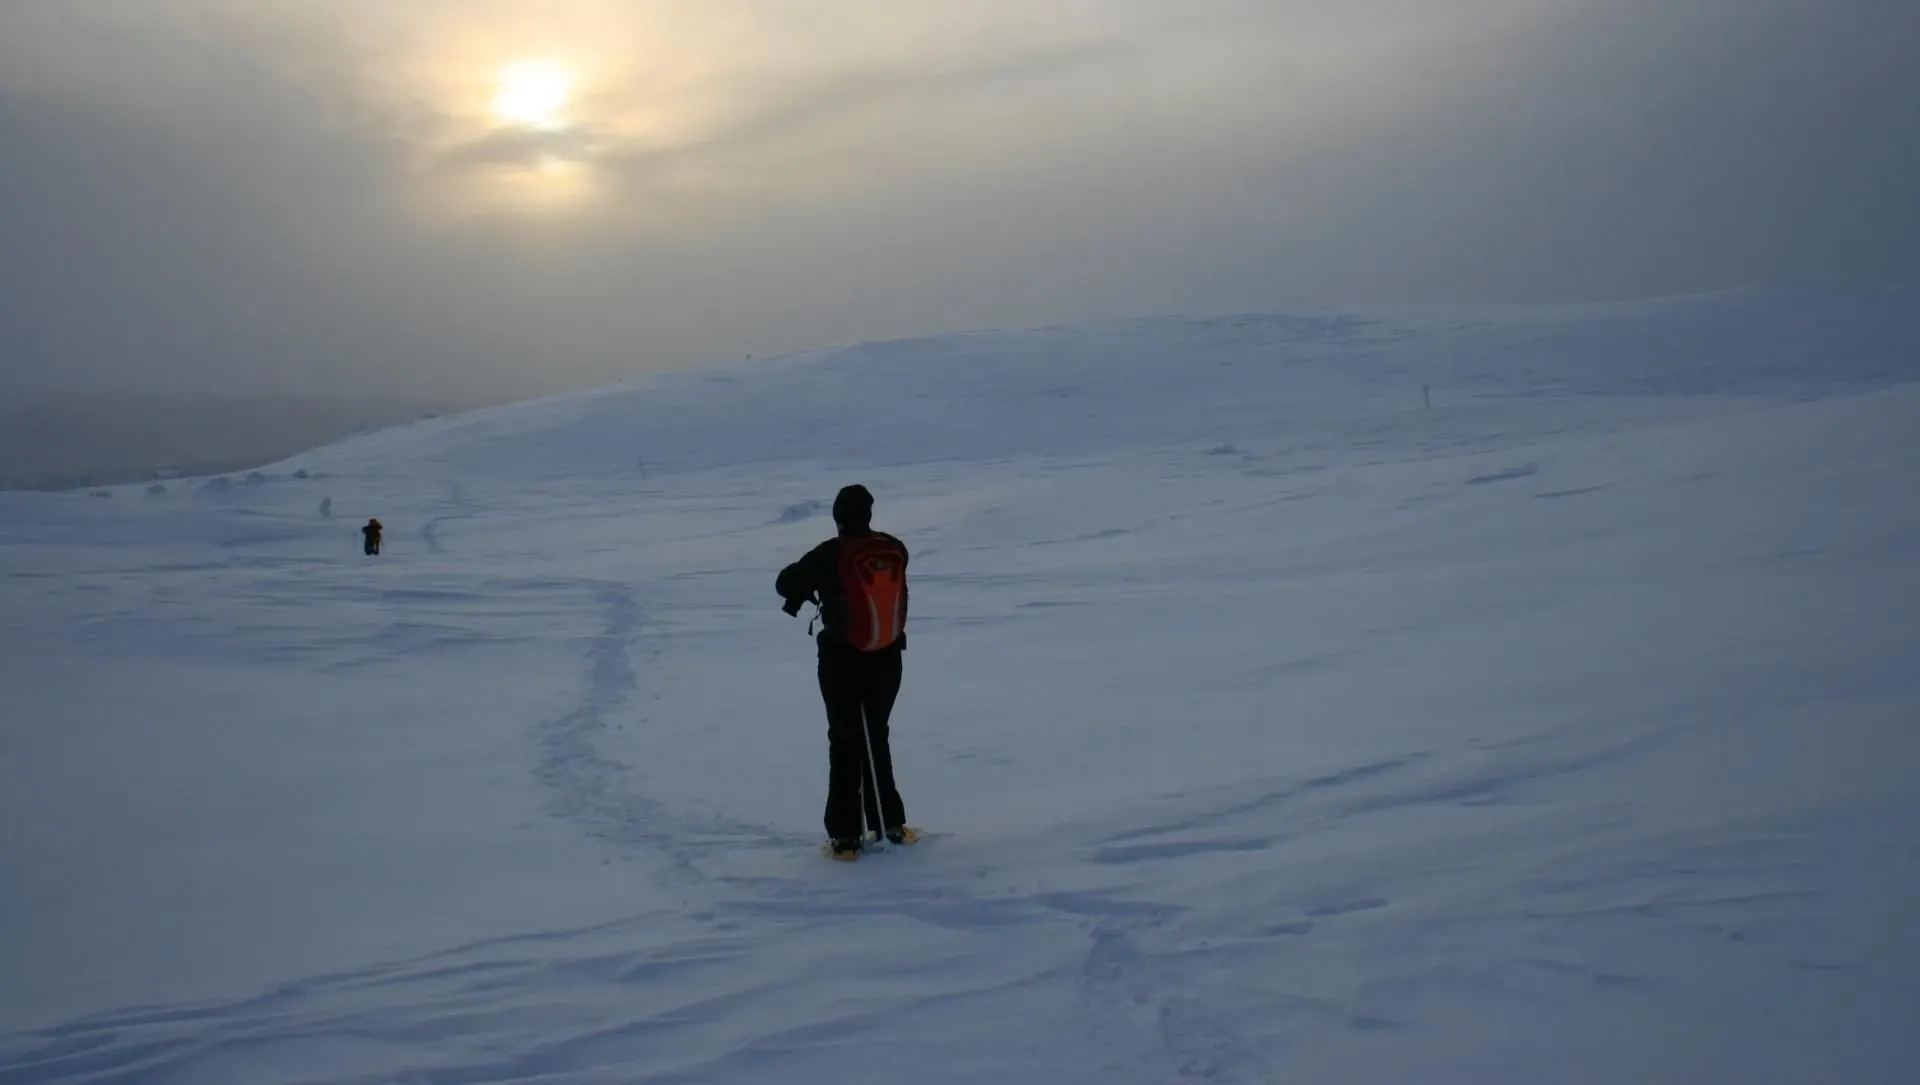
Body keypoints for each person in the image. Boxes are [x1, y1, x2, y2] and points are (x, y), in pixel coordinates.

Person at [776, 484, 920, 860]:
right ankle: (890, 824)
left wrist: (813, 587)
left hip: (842, 659)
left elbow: (784, 583)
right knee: (877, 735)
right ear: (869, 514)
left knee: (844, 740)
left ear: (838, 517)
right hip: (887, 656)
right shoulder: (894, 548)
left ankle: (845, 836)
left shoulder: (830, 552)